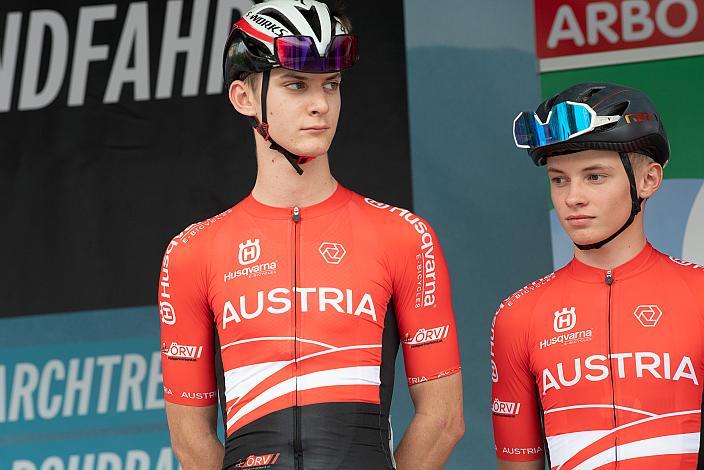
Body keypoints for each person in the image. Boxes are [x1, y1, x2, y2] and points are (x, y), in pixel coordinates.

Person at [158, 1, 464, 469]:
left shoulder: (403, 236)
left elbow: (443, 419)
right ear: (243, 98)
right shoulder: (192, 252)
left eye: (332, 85)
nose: (320, 104)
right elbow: (190, 439)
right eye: (296, 85)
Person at [491, 82, 704, 469]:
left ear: (648, 181)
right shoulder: (518, 315)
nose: (573, 197)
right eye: (559, 179)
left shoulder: (699, 296)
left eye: (595, 176)